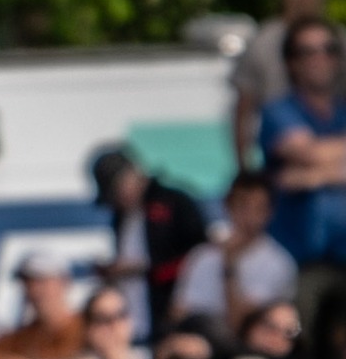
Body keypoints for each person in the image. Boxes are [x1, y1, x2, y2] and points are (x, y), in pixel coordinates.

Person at [233, 0, 343, 166]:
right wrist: (244, 170)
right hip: (283, 153)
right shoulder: (261, 44)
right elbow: (243, 112)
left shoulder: (340, 40)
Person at [88, 146, 206, 342]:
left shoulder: (174, 203)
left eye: (116, 191)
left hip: (172, 318)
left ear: (133, 175)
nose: (116, 200)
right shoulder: (121, 217)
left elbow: (199, 259)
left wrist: (146, 270)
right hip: (136, 321)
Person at [259, 17, 346, 270]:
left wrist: (310, 177)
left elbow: (307, 163)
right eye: (307, 52)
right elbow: (308, 153)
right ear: (291, 62)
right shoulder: (278, 110)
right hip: (299, 262)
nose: (319, 58)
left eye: (328, 49)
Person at [171, 171, 299, 332]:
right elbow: (177, 314)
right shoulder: (201, 255)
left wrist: (229, 266)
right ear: (228, 206)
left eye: (258, 208)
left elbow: (240, 324)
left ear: (269, 212)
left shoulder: (279, 264)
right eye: (243, 206)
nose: (249, 216)